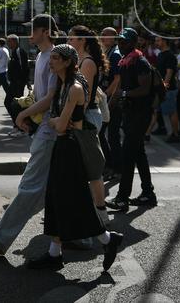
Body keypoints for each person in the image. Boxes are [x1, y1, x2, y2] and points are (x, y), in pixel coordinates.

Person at [25, 43, 124, 271]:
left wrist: (53, 121)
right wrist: (57, 120)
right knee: (55, 198)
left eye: (56, 58)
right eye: (51, 57)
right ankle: (55, 252)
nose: (51, 61)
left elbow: (60, 125)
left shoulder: (75, 88)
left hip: (71, 149)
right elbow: (60, 121)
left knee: (75, 201)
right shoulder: (63, 84)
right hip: (63, 146)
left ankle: (108, 240)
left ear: (68, 61)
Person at [0, 14, 58, 255]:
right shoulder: (41, 56)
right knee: (54, 187)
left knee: (30, 187)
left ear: (45, 31)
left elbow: (50, 98)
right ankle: (89, 235)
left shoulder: (53, 56)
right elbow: (41, 95)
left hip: (49, 129)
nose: (28, 34)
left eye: (33, 29)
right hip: (44, 127)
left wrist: (23, 115)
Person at [106, 27, 156, 210]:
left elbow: (144, 88)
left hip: (140, 115)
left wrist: (125, 94)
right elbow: (118, 88)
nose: (121, 43)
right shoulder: (124, 60)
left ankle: (122, 198)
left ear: (134, 42)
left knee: (128, 156)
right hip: (130, 114)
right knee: (139, 154)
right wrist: (108, 109)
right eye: (119, 40)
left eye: (124, 41)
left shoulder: (140, 61)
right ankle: (148, 193)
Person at [67, 25, 109, 224]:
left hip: (87, 116)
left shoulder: (87, 63)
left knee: (92, 169)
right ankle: (87, 213)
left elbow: (84, 96)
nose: (68, 41)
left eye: (72, 38)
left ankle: (101, 214)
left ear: (82, 41)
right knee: (82, 168)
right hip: (83, 116)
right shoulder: (80, 60)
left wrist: (75, 120)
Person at [101, 27, 123, 180]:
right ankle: (112, 166)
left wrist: (106, 96)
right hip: (109, 99)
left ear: (113, 38)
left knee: (111, 135)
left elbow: (117, 79)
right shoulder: (109, 52)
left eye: (105, 35)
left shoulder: (115, 54)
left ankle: (115, 167)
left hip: (113, 101)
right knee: (107, 134)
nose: (102, 37)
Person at [155, 36, 180, 142]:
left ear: (164, 41)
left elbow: (169, 72)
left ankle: (175, 134)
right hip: (162, 88)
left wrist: (164, 86)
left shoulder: (169, 55)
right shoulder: (160, 54)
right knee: (158, 111)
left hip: (168, 89)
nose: (156, 42)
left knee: (171, 112)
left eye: (158, 40)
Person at [4, 34, 30, 130]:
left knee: (14, 104)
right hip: (14, 82)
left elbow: (25, 67)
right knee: (11, 103)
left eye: (9, 41)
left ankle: (20, 126)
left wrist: (26, 81)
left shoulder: (19, 51)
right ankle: (19, 124)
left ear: (14, 42)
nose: (7, 43)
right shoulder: (14, 52)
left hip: (18, 83)